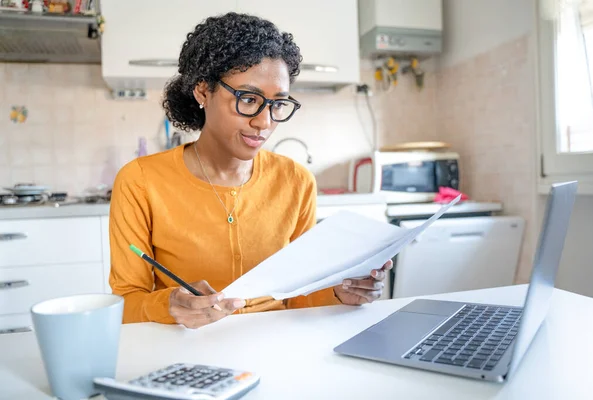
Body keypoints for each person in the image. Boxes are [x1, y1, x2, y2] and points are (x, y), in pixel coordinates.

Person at [108, 12, 393, 329]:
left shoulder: (297, 182)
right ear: (203, 91)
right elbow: (126, 303)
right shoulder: (140, 181)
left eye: (278, 103)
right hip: (185, 353)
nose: (265, 122)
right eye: (248, 98)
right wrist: (169, 304)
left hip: (277, 347)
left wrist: (342, 293)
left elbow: (298, 297)